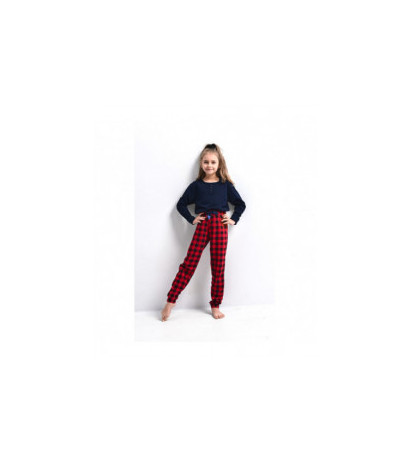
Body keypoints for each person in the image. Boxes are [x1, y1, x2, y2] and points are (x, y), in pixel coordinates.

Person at [161, 143, 246, 321]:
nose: (209, 165)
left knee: (218, 267)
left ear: (219, 164)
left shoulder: (225, 185)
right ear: (201, 163)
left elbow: (240, 204)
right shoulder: (196, 186)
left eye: (213, 162)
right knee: (189, 264)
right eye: (206, 162)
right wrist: (192, 218)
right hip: (203, 225)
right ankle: (170, 301)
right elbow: (181, 205)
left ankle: (215, 305)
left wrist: (233, 219)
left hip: (220, 226)